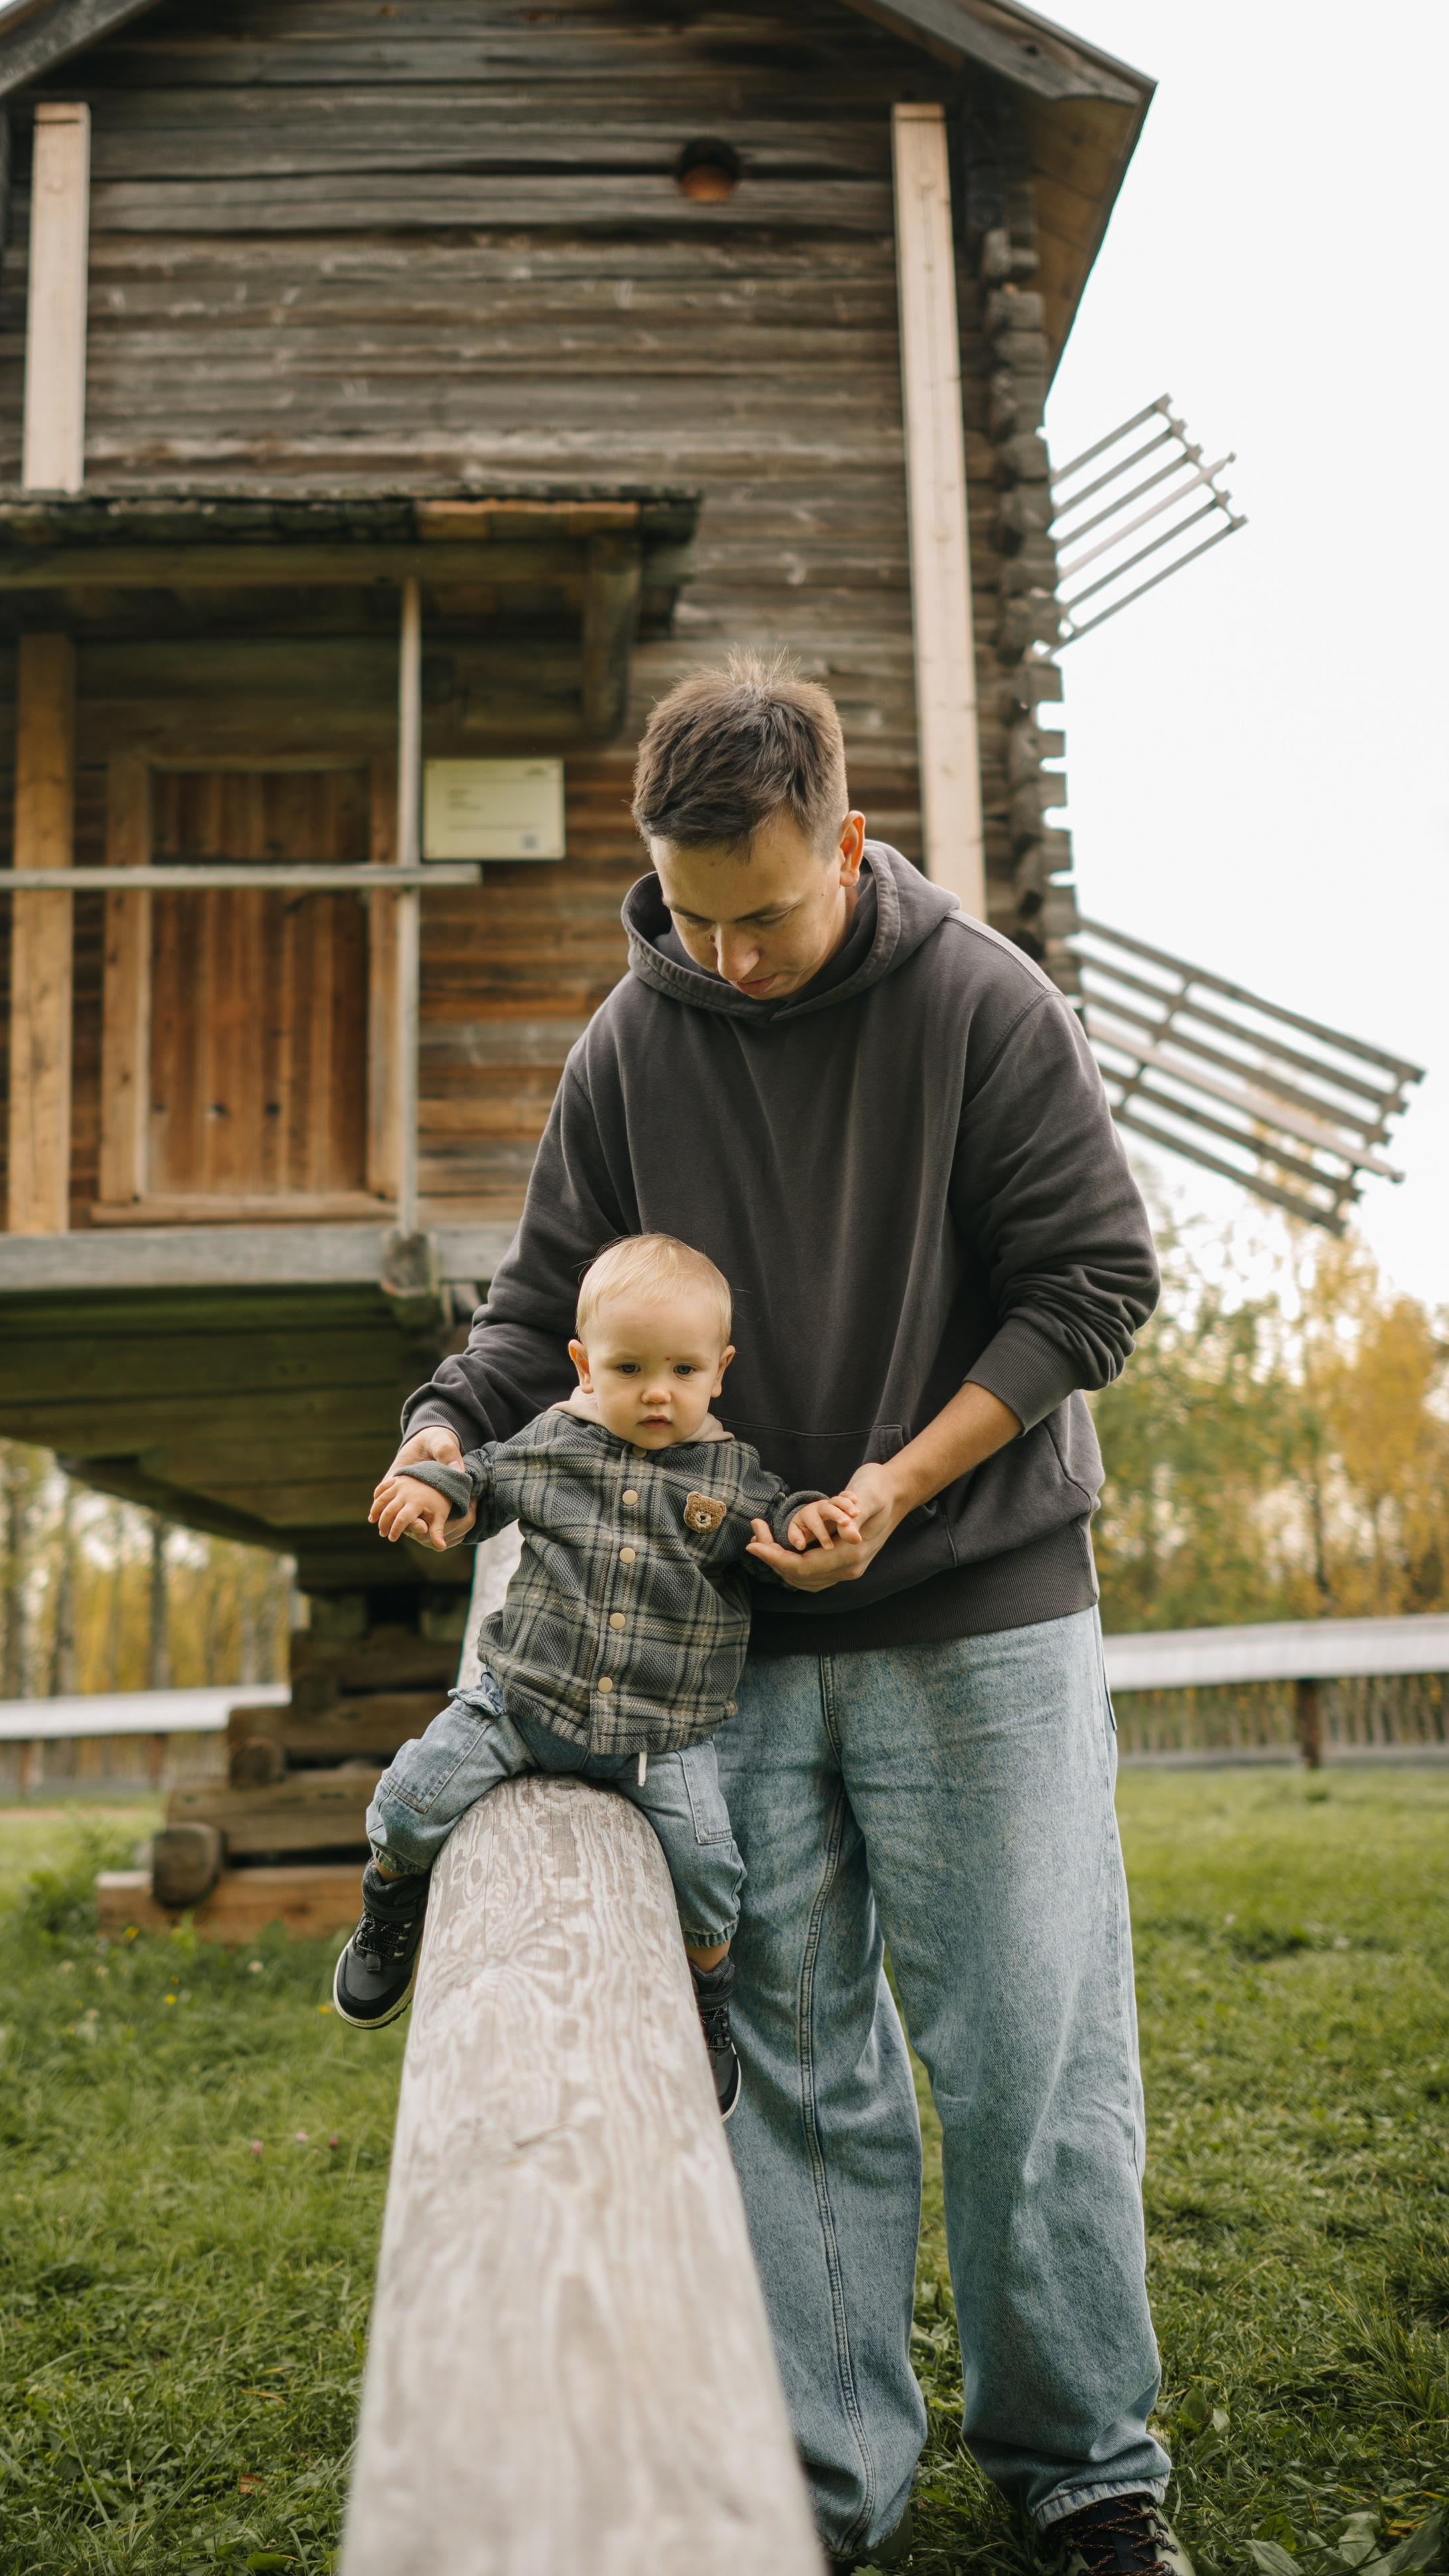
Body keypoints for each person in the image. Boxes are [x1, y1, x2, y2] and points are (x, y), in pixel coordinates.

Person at [383, 655, 1183, 2576]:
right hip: (722, 1661)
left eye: (760, 911)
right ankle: (825, 2489)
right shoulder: (629, 1042)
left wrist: (897, 1487)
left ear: (844, 836)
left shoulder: (986, 1005)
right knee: (793, 2074)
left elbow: (1092, 1289)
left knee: (1027, 2061)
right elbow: (533, 1318)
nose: (722, 953)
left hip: (979, 1618)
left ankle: (1087, 2475)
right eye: (687, 913)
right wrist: (438, 1427)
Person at [336, 1232, 855, 2115]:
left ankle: (707, 2001)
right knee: (413, 1797)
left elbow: (784, 1512)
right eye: (630, 1368)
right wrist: (433, 1489)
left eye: (684, 1371)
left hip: (660, 1733)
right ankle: (389, 1903)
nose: (659, 1392)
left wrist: (812, 1522)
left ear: (720, 1371)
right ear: (583, 1363)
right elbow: (481, 1480)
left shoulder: (730, 1477)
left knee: (708, 1869)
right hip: (522, 1699)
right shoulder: (552, 1443)